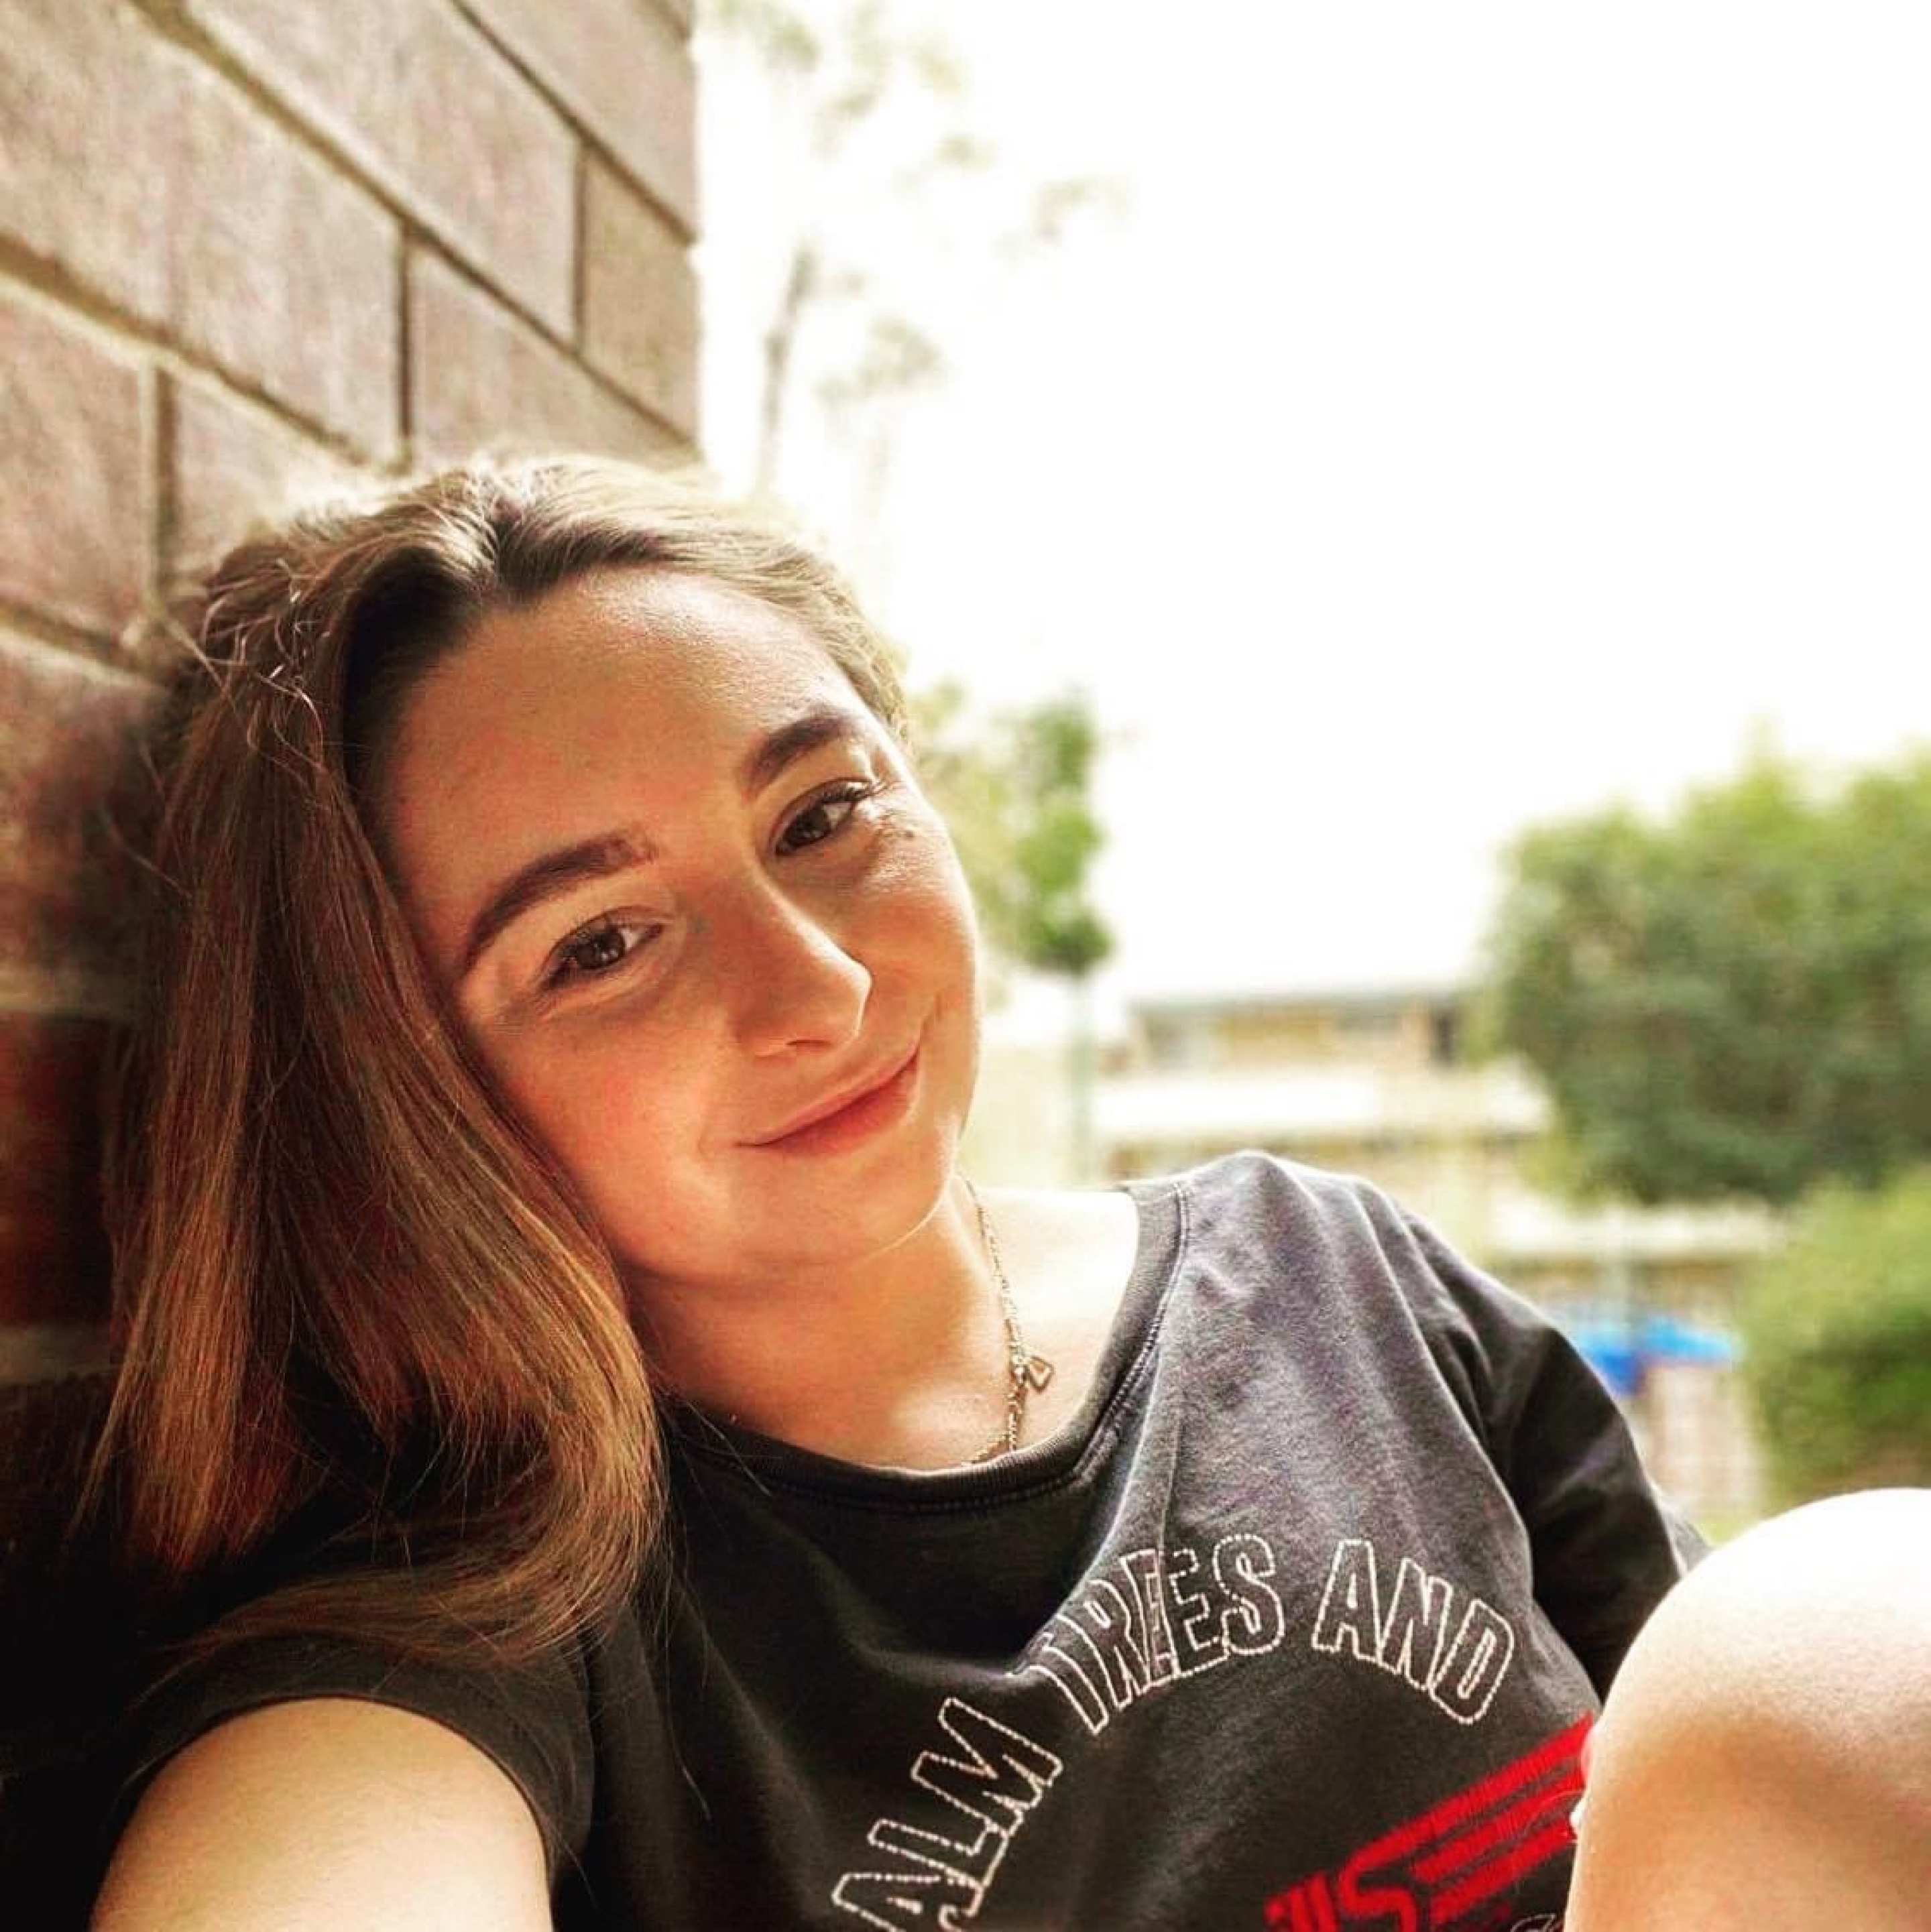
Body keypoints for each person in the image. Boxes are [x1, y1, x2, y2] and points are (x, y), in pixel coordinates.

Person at [78, 456, 1927, 1930]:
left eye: (822, 813)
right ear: (414, 1089)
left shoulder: (1347, 1288)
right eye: (605, 941)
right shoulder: (489, 1627)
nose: (814, 982)